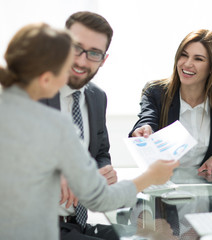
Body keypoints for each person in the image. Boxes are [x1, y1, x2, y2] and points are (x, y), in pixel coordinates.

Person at [0, 23, 179, 240]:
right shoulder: (54, 125)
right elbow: (101, 200)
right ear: (47, 79)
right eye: (66, 68)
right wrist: (151, 176)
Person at [39, 11, 118, 239]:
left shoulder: (97, 97)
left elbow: (101, 153)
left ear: (104, 59)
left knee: (148, 234)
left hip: (75, 224)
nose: (82, 61)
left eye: (94, 53)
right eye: (76, 47)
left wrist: (102, 172)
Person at [129, 29, 212, 176]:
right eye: (184, 55)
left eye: (198, 59)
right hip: (163, 192)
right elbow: (147, 119)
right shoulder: (155, 92)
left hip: (207, 193)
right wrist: (144, 128)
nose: (187, 64)